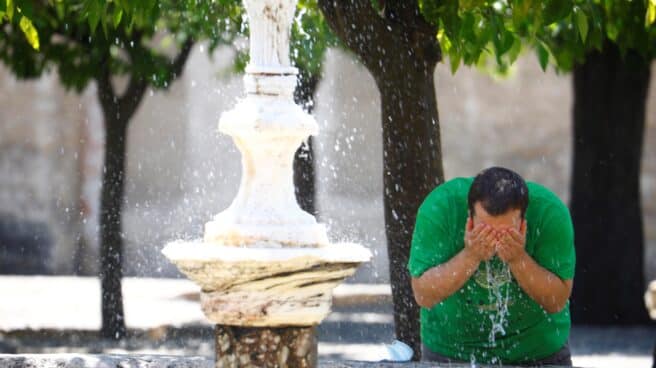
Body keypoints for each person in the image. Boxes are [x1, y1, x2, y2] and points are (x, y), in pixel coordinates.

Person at [408, 167, 575, 366]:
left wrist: (519, 259)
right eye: (484, 230)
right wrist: (470, 256)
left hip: (538, 351)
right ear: (469, 218)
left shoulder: (549, 213)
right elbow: (423, 295)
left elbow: (556, 300)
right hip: (452, 350)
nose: (495, 240)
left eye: (506, 232)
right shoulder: (441, 208)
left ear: (523, 222)